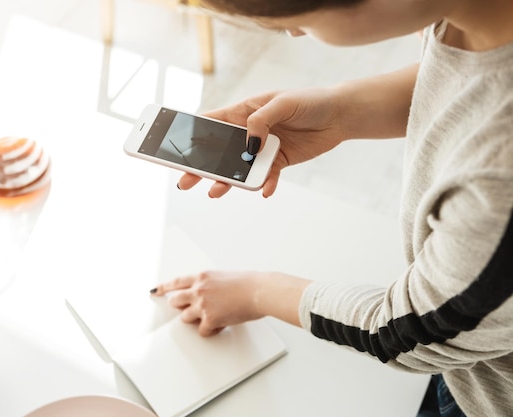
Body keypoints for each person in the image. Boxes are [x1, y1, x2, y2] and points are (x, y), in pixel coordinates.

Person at [148, 1, 513, 416]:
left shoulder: (501, 184)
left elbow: (407, 333)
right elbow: (470, 81)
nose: (296, 34)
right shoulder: (470, 13)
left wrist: (257, 291)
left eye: (300, 20)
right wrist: (341, 111)